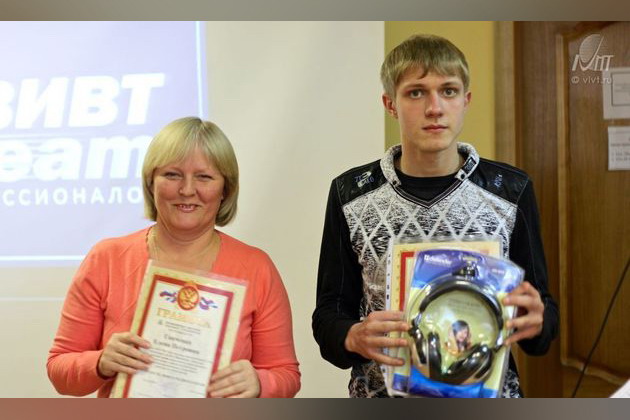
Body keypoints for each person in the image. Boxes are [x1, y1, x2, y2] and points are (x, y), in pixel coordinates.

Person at [312, 34, 558, 398]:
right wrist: (351, 336)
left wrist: (537, 322)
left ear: (466, 100)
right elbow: (328, 317)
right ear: (390, 104)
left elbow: (543, 317)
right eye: (416, 93)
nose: (435, 108)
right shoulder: (350, 194)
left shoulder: (511, 191)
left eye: (449, 91)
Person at [48, 117, 301, 398]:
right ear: (151, 183)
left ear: (225, 189)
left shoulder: (256, 267)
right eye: (172, 175)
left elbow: (286, 374)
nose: (187, 190)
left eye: (204, 177)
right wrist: (99, 363)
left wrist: (261, 383)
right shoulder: (107, 258)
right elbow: (60, 370)